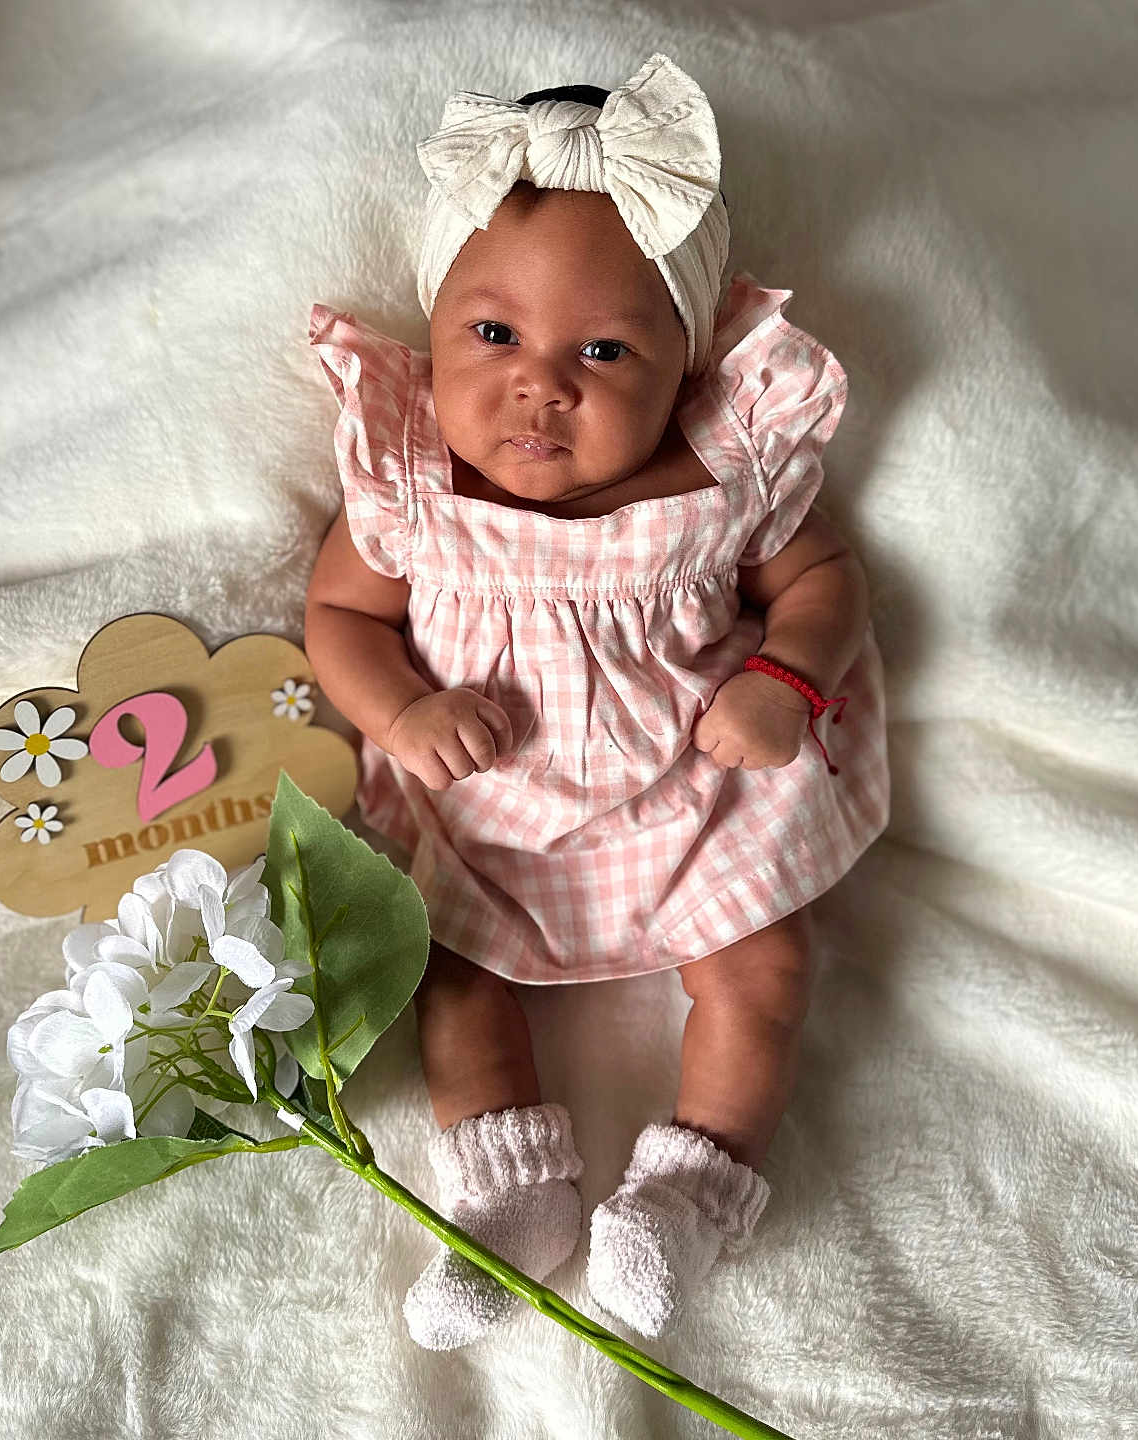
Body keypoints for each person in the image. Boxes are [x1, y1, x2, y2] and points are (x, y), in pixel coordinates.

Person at [303, 52, 889, 1349]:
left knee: (768, 961)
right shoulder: (414, 484)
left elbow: (826, 581)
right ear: (438, 325)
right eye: (494, 333)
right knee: (450, 978)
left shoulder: (723, 467)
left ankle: (682, 1193)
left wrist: (787, 678)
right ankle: (512, 1200)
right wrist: (399, 715)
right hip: (494, 808)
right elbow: (339, 617)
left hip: (698, 791)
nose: (541, 382)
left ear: (685, 363)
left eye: (606, 347)